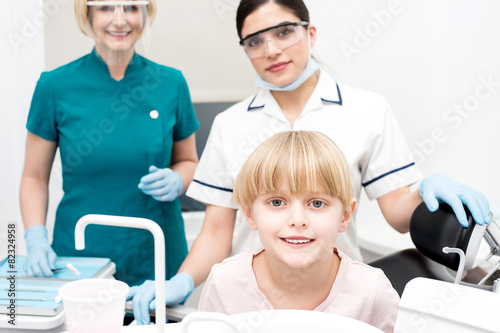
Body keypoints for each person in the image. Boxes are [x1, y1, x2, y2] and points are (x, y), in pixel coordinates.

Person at [130, 0, 490, 324]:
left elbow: (396, 210)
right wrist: (181, 280)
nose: (271, 50)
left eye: (284, 32)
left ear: (310, 32)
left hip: (340, 299)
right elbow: (216, 230)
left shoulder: (366, 111)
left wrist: (425, 192)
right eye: (254, 41)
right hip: (251, 300)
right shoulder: (230, 125)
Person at [20, 0, 199, 291]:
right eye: (105, 8)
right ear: (87, 13)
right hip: (82, 254)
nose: (120, 20)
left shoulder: (171, 83)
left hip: (156, 252)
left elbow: (189, 160)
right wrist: (35, 236)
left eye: (130, 7)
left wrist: (178, 180)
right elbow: (33, 177)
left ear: (145, 12)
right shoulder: (54, 86)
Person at [199, 130, 399, 333]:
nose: (297, 220)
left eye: (317, 203)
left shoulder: (372, 292)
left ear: (345, 216)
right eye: (277, 202)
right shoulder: (225, 284)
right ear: (249, 214)